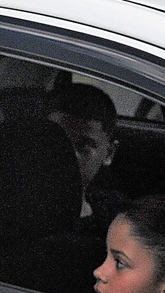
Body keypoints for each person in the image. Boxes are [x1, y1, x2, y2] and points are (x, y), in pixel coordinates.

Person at [47, 82, 126, 236]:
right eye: (57, 141)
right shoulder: (10, 209)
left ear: (109, 153)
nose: (68, 154)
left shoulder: (117, 212)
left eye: (84, 146)